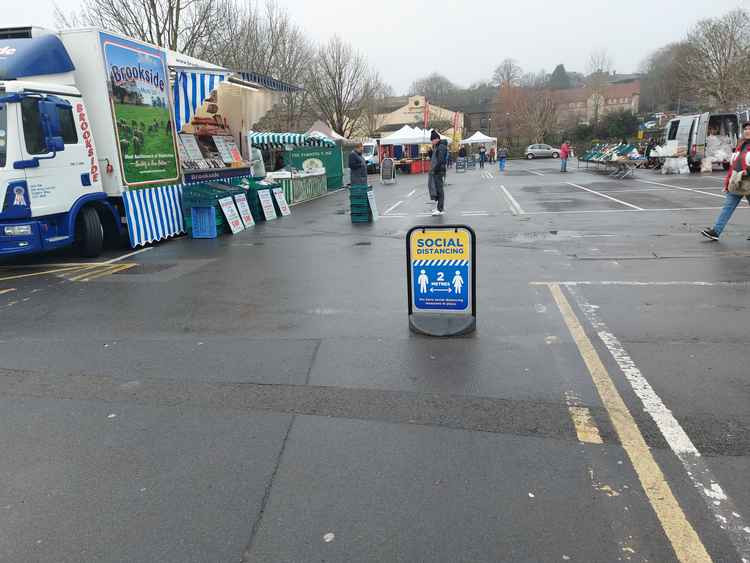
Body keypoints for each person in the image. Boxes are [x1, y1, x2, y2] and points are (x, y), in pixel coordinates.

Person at [701, 122, 750, 241]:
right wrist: (727, 183)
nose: (747, 131)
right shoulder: (741, 145)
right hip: (737, 181)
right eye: (745, 129)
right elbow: (733, 165)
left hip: (748, 180)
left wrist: (747, 172)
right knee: (727, 207)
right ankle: (716, 231)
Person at [428, 129, 448, 216]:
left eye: (432, 140)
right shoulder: (438, 147)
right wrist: (430, 153)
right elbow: (435, 158)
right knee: (437, 189)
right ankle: (439, 208)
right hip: (437, 170)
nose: (432, 142)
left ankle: (440, 209)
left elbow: (440, 160)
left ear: (436, 139)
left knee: (439, 190)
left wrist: (436, 169)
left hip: (438, 171)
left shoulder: (441, 147)